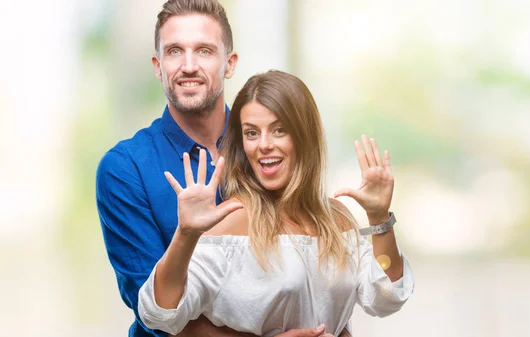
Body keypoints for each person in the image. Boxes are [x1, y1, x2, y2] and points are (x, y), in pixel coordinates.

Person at [96, 0, 350, 336]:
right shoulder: (124, 169)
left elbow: (314, 275)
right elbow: (157, 314)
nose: (188, 66)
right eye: (174, 51)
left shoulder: (269, 149)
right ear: (158, 66)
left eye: (204, 51)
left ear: (229, 63)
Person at [137, 70, 415, 336]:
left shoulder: (337, 220)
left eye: (279, 130)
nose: (264, 145)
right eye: (252, 133)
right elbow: (161, 313)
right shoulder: (234, 219)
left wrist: (379, 219)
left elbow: (386, 297)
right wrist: (186, 234)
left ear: (305, 136)